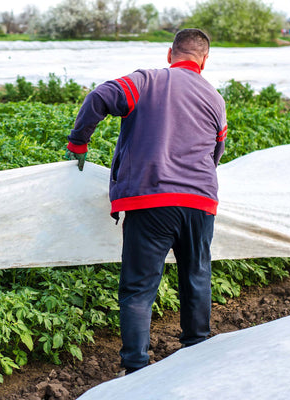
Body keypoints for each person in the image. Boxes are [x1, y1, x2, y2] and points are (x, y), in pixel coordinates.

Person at [66, 28, 227, 375]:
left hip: (152, 200)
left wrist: (79, 142)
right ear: (205, 60)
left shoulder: (145, 81)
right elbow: (217, 151)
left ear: (170, 54)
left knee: (139, 288)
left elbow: (99, 97)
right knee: (197, 277)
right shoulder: (216, 99)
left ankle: (136, 369)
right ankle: (196, 354)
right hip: (200, 202)